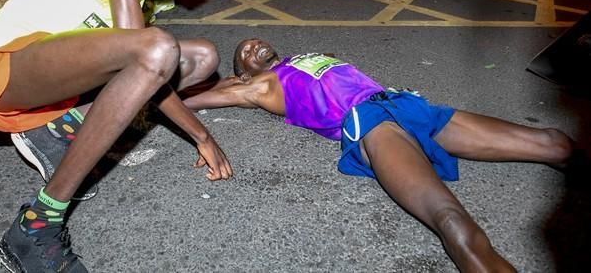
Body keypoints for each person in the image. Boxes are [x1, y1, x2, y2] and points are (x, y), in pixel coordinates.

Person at [0, 0, 233, 272]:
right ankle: (37, 225)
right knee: (157, 49)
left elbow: (142, 71)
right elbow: (145, 55)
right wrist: (201, 135)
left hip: (53, 82)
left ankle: (59, 129)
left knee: (202, 57)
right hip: (7, 68)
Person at [183, 37, 579, 272]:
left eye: (255, 40)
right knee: (450, 220)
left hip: (407, 105)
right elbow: (197, 98)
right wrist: (143, 86)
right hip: (373, 124)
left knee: (553, 142)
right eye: (245, 51)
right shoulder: (256, 86)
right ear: (242, 75)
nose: (253, 44)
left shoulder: (296, 61)